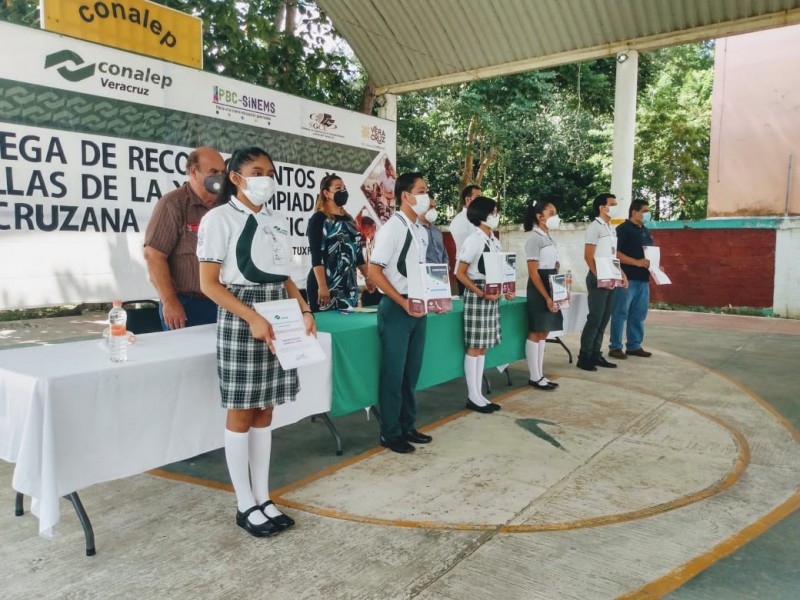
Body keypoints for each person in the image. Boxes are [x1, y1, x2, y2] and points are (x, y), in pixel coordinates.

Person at [197, 146, 315, 538]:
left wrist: (304, 310)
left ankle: (264, 496)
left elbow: (284, 276)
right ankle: (244, 502)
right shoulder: (219, 219)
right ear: (236, 177)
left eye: (270, 172)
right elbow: (208, 285)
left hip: (277, 310)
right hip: (241, 313)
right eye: (257, 171)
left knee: (266, 408)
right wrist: (253, 318)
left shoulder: (277, 222)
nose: (266, 178)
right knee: (242, 410)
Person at [369, 172, 434, 454]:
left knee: (411, 372)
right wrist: (401, 301)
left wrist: (433, 298)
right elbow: (374, 271)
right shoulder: (392, 228)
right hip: (397, 307)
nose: (426, 196)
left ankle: (408, 425)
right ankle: (390, 432)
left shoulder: (419, 229)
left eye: (426, 190)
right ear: (406, 196)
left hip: (418, 304)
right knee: (393, 374)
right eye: (421, 190)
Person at [144, 146, 226, 330]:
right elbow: (154, 255)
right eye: (213, 172)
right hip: (187, 304)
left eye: (222, 172)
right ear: (193, 172)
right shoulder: (173, 204)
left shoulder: (227, 205)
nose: (220, 177)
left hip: (226, 301)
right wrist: (169, 301)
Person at [455, 196, 514, 413]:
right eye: (493, 212)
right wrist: (480, 292)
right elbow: (459, 273)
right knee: (474, 346)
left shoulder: (494, 240)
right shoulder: (474, 240)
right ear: (482, 214)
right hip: (478, 294)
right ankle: (473, 395)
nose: (496, 216)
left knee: (483, 346)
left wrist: (506, 289)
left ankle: (479, 393)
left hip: (491, 293)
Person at [306, 174, 375, 312]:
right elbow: (316, 256)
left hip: (348, 286)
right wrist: (322, 286)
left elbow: (358, 254)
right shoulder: (318, 219)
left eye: (344, 188)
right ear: (326, 193)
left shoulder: (349, 220)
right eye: (338, 188)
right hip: (324, 285)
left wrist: (368, 277)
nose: (343, 191)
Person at [577, 193, 628, 371]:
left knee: (605, 318)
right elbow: (588, 256)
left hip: (611, 277)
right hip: (599, 278)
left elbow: (612, 255)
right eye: (612, 204)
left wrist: (621, 273)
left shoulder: (611, 227)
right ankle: (584, 357)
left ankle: (596, 354)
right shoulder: (595, 227)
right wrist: (599, 276)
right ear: (602, 207)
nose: (615, 207)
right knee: (595, 318)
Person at [523, 200, 563, 390]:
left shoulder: (549, 237)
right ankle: (534, 375)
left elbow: (554, 265)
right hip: (540, 286)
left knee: (545, 331)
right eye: (551, 213)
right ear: (540, 217)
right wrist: (547, 296)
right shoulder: (534, 238)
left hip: (552, 282)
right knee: (536, 330)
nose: (555, 216)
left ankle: (540, 373)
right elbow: (533, 272)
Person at [609, 200, 654, 359]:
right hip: (627, 278)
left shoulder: (646, 231)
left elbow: (650, 254)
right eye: (644, 211)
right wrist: (636, 262)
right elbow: (615, 253)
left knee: (639, 313)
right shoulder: (622, 230)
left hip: (643, 279)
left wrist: (655, 267)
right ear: (634, 212)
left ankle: (634, 345)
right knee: (620, 312)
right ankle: (615, 346)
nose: (647, 214)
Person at [448, 184, 482, 253]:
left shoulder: (479, 218)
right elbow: (465, 249)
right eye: (478, 198)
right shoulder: (460, 221)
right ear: (467, 200)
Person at [418, 192, 448, 264]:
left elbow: (443, 253)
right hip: (422, 273)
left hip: (440, 273)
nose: (433, 210)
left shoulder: (437, 231)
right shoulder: (414, 229)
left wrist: (445, 266)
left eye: (434, 207)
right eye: (430, 206)